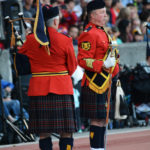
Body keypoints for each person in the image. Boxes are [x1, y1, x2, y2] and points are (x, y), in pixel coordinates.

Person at [18, 5, 77, 150]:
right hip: (62, 88)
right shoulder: (65, 40)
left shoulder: (31, 40)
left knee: (43, 133)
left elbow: (20, 60)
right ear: (56, 22)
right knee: (66, 132)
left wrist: (28, 37)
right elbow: (72, 67)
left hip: (39, 89)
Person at [77, 1, 119, 150]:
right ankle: (95, 149)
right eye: (102, 12)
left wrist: (114, 72)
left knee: (103, 119)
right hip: (94, 83)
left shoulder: (103, 31)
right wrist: (102, 64)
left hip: (106, 80)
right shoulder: (89, 33)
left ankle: (100, 148)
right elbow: (82, 60)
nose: (105, 15)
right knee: (96, 120)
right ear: (92, 15)